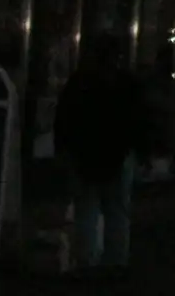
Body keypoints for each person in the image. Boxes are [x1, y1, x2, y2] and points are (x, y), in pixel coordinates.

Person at [55, 32, 151, 277]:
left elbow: (64, 120)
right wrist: (143, 152)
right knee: (117, 210)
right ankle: (116, 260)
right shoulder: (127, 83)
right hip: (119, 153)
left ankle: (87, 261)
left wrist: (64, 151)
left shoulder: (80, 81)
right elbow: (139, 121)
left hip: (85, 153)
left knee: (86, 209)